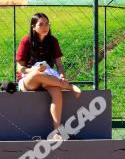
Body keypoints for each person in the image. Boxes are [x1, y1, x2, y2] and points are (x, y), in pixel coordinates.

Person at [16, 12, 82, 140]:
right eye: (41, 24)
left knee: (57, 92)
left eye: (47, 24)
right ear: (33, 27)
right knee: (37, 73)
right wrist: (33, 70)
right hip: (28, 80)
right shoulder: (26, 41)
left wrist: (62, 75)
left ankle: (56, 132)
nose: (45, 27)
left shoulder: (53, 41)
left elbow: (59, 64)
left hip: (49, 78)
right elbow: (19, 68)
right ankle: (69, 87)